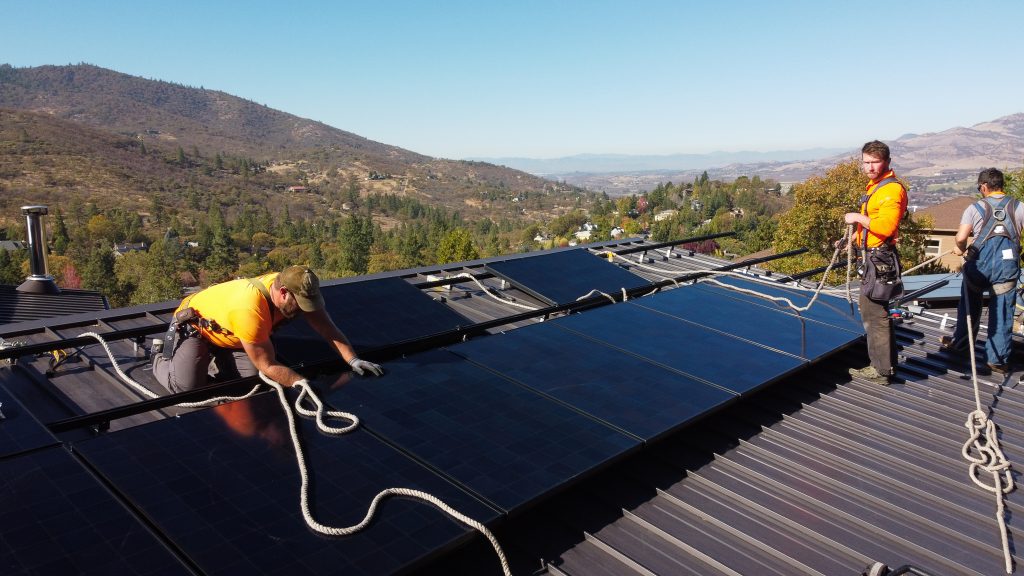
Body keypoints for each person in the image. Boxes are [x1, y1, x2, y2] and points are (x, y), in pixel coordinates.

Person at [153, 265, 383, 393]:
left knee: (251, 380)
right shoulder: (250, 309)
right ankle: (158, 357)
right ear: (282, 293)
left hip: (233, 334)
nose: (305, 310)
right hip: (198, 329)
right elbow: (268, 364)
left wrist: (353, 360)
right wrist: (302, 383)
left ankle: (215, 358)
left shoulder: (297, 286)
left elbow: (327, 328)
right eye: (301, 305)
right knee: (187, 388)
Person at [941, 168, 1023, 374]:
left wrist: (959, 249)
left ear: (984, 186)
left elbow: (961, 238)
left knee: (969, 307)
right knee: (1003, 313)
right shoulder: (1020, 207)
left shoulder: (974, 208)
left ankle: (961, 343)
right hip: (1007, 268)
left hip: (978, 268)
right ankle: (997, 360)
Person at [844, 140, 908, 385]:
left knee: (874, 314)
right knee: (875, 311)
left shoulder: (891, 190)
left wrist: (857, 217)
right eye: (866, 162)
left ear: (887, 162)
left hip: (879, 258)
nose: (869, 167)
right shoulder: (877, 186)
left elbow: (886, 226)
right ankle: (885, 365)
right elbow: (875, 223)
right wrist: (853, 238)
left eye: (875, 162)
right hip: (874, 254)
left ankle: (881, 371)